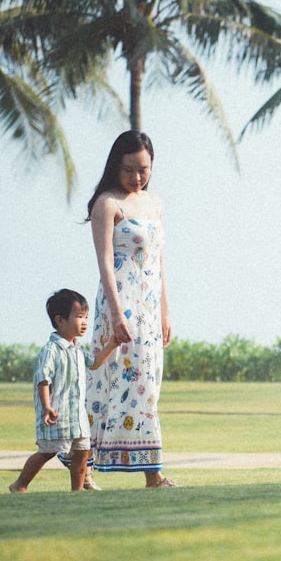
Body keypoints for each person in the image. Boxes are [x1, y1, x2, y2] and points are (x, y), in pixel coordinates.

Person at [84, 130, 178, 488]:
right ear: (115, 166)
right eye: (128, 170)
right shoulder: (107, 204)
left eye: (143, 169)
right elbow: (105, 263)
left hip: (150, 311)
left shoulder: (154, 203)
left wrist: (165, 311)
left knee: (147, 383)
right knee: (108, 382)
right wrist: (116, 313)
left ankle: (151, 471)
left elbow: (160, 261)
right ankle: (86, 468)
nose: (137, 177)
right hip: (120, 303)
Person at [9, 289, 118, 493]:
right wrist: (46, 407)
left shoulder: (78, 348)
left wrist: (112, 344)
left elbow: (94, 363)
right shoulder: (50, 350)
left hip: (77, 416)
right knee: (47, 452)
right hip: (57, 415)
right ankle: (19, 484)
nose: (84, 322)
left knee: (82, 452)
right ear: (60, 320)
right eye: (79, 316)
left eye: (86, 317)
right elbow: (43, 380)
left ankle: (77, 490)